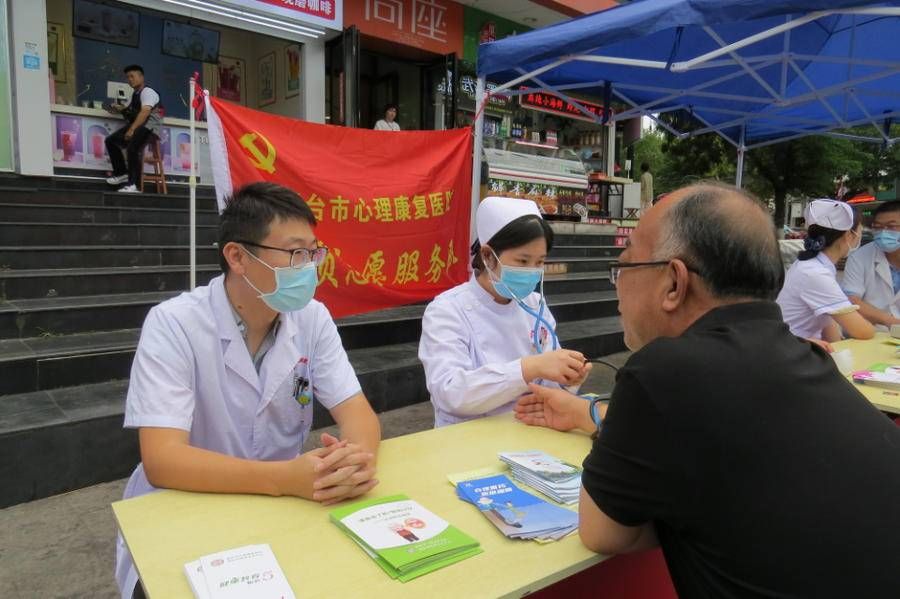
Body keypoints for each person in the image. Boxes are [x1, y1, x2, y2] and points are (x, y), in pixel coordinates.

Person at [515, 183, 900, 598]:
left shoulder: (663, 371)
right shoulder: (806, 354)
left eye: (625, 267)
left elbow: (603, 532)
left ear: (674, 283)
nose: (617, 287)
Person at [115, 182, 381, 598]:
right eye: (295, 253)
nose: (310, 267)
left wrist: (354, 462)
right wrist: (284, 479)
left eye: (314, 252)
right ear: (237, 256)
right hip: (185, 508)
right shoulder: (173, 325)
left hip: (282, 506)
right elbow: (163, 460)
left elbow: (359, 415)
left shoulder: (311, 318)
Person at [418, 196, 591, 427]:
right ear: (488, 256)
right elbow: (450, 393)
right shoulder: (447, 310)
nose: (532, 271)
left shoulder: (534, 304)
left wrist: (568, 379)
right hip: (466, 439)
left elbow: (549, 384)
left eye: (540, 262)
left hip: (529, 430)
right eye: (522, 261)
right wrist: (529, 367)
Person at [776, 199, 874, 341]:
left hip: (798, 347)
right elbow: (863, 331)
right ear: (848, 235)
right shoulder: (815, 273)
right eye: (860, 230)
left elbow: (829, 322)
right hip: (793, 352)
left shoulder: (813, 265)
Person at [104, 64, 162, 193]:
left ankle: (134, 185)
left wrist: (131, 129)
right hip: (139, 125)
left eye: (132, 76)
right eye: (127, 77)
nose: (130, 79)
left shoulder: (148, 92)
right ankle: (121, 173)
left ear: (141, 77)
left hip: (150, 127)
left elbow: (145, 113)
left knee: (132, 148)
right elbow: (132, 113)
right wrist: (121, 109)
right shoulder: (134, 94)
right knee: (110, 141)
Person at [842, 200, 900, 327]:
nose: (883, 232)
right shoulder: (859, 257)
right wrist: (890, 321)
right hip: (873, 332)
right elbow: (852, 300)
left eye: (891, 226)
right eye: (877, 227)